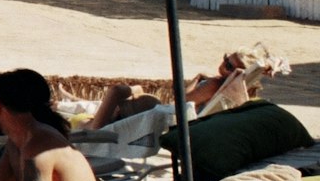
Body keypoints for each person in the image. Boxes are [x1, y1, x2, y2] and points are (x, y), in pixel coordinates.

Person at [85, 52, 244, 131]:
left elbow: (181, 101)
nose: (223, 64)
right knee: (132, 91)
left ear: (235, 73)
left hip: (162, 116)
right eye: (225, 58)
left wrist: (198, 80)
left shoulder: (214, 84)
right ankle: (76, 101)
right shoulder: (230, 88)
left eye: (229, 66)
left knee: (117, 92)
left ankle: (86, 112)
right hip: (164, 114)